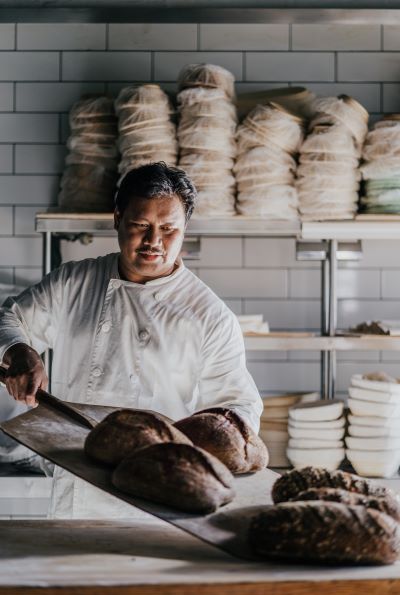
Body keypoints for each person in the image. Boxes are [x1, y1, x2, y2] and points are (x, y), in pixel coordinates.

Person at [0, 162, 264, 518]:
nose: (154, 241)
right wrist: (18, 350)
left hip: (156, 498)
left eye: (169, 229)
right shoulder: (74, 282)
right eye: (141, 225)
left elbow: (238, 408)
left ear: (185, 228)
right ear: (117, 218)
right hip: (74, 490)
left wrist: (207, 446)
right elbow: (9, 317)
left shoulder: (209, 316)